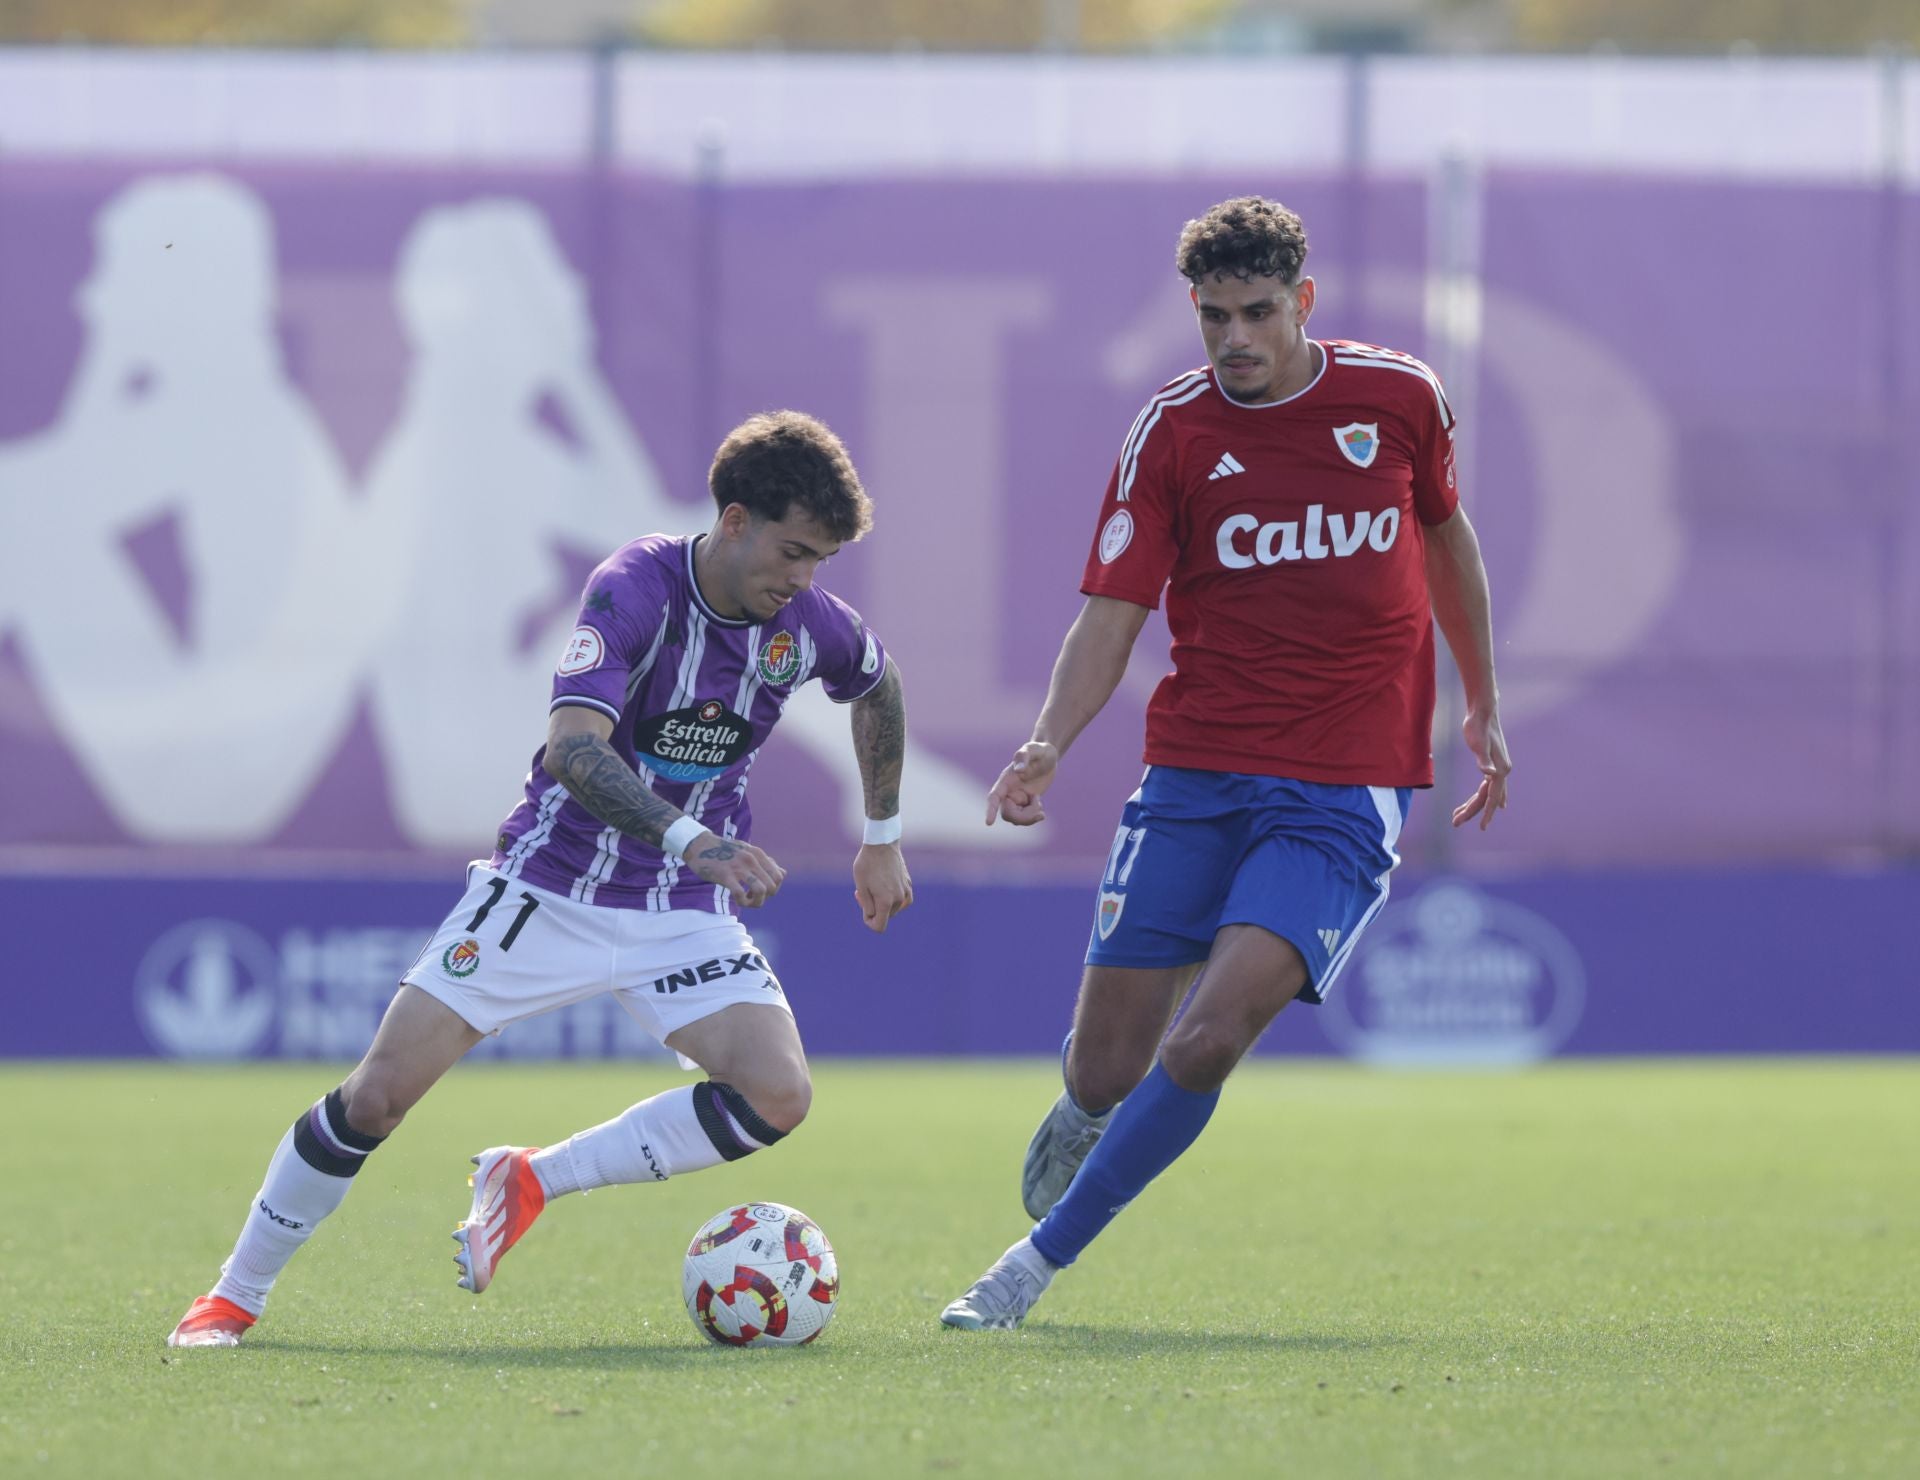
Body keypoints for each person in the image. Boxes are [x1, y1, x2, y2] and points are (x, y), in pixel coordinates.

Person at [168, 410, 914, 1347]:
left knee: (779, 1096)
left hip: (679, 911)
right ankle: (234, 1296)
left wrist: (881, 834)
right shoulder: (637, 586)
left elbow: (876, 685)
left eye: (820, 563)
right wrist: (693, 837)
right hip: (546, 891)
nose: (802, 580)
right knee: (377, 1097)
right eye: (793, 552)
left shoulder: (804, 624)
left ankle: (532, 1179)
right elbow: (573, 751)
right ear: (733, 520)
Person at [940, 197, 1511, 1331]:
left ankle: (1027, 1269)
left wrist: (1482, 700)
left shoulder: (1400, 401)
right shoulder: (1174, 432)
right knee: (1108, 1071)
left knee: (1207, 1038)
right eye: (1213, 319)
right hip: (1197, 774)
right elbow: (1110, 612)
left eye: (1256, 313)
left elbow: (1447, 537)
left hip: (1344, 788)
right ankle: (1091, 1102)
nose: (1235, 339)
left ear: (1302, 302)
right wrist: (1051, 739)